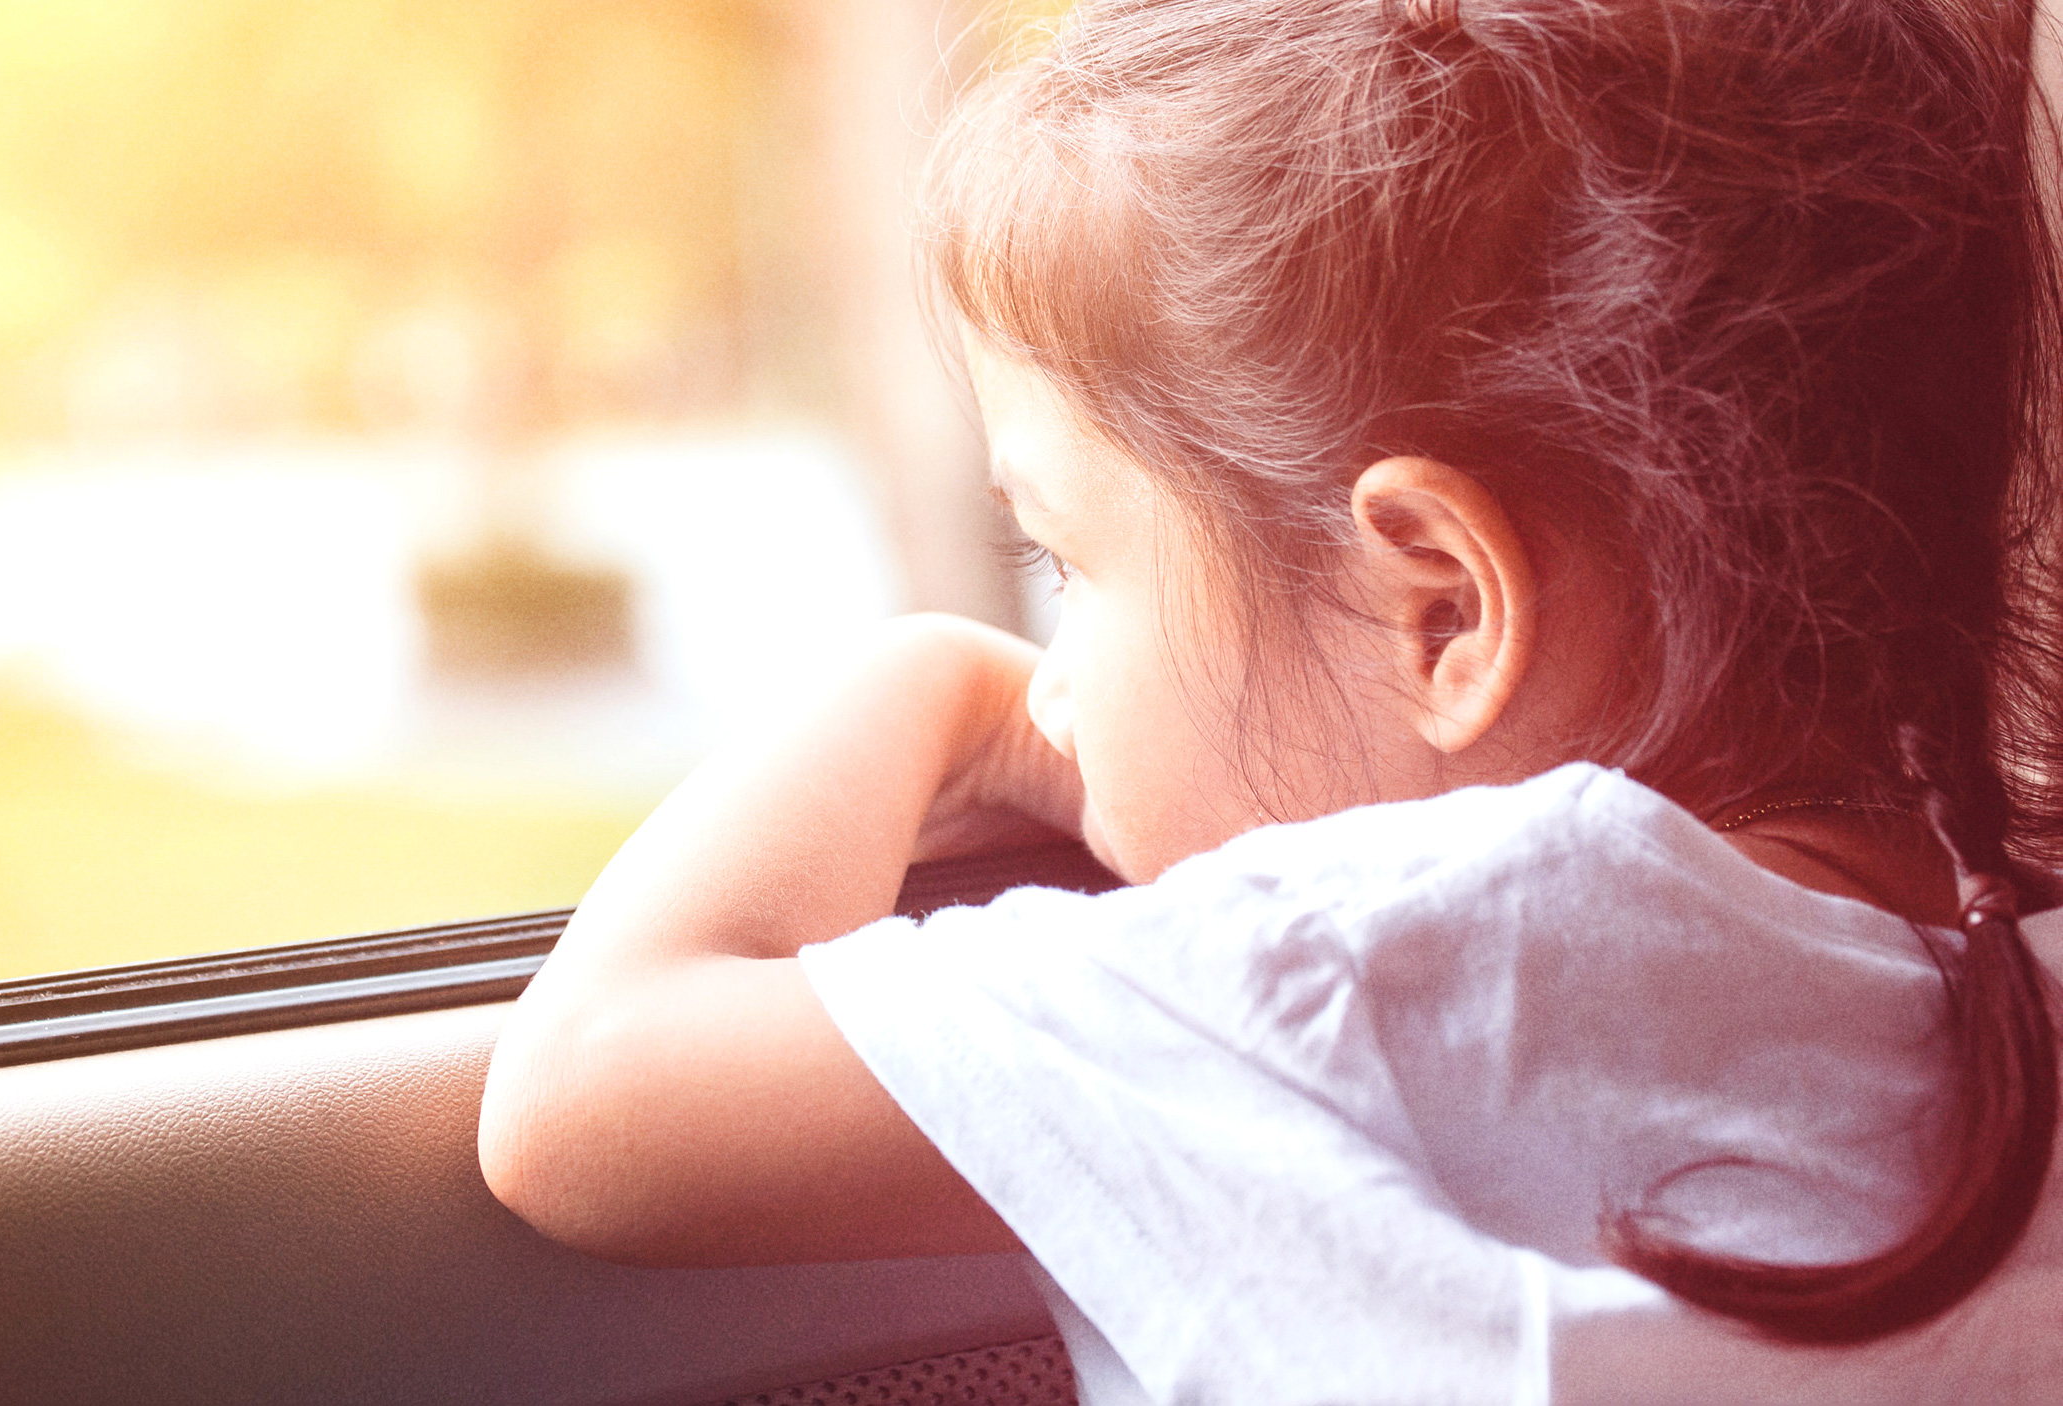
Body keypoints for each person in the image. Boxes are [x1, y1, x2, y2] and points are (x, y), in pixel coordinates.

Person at [477, 0, 2063, 1399]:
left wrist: (936, 680)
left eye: (1067, 566)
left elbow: (582, 1099)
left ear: (1441, 608)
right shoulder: (2015, 950)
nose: (1065, 679)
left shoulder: (1362, 970)